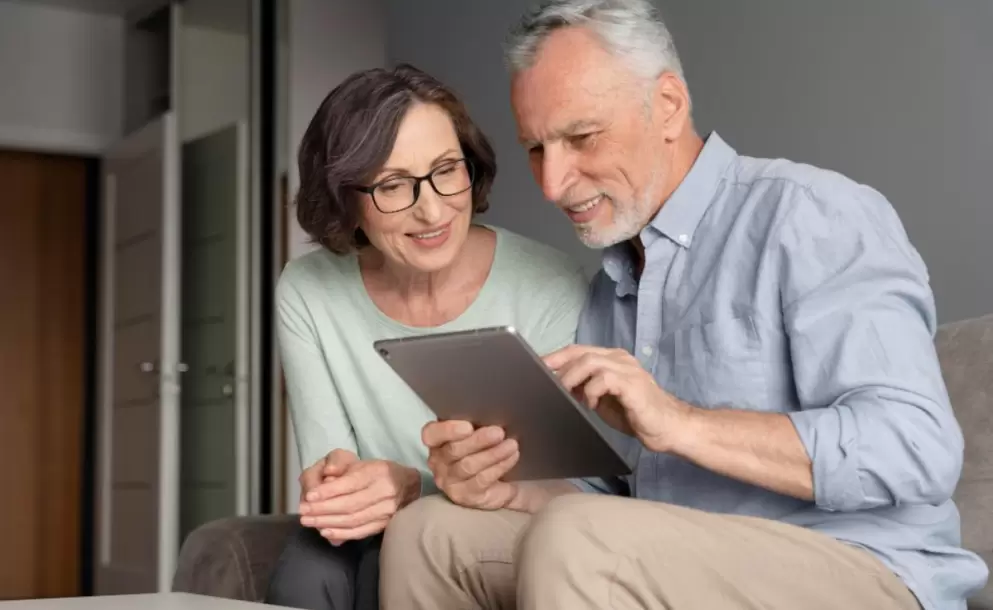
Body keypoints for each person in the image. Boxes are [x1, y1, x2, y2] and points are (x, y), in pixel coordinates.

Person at [378, 1, 990, 609]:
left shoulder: (810, 215)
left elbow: (916, 447)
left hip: (865, 571)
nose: (551, 183)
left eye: (581, 136)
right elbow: (612, 500)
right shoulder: (610, 291)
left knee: (581, 540)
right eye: (537, 149)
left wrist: (680, 421)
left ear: (667, 105)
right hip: (681, 559)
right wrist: (503, 489)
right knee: (428, 534)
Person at [262, 63, 590, 610]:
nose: (433, 209)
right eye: (393, 185)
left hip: (496, 525)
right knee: (309, 562)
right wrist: (337, 483)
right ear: (346, 199)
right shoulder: (309, 288)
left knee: (395, 556)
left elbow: (563, 487)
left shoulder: (550, 286)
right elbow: (329, 467)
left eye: (446, 170)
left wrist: (413, 487)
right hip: (367, 535)